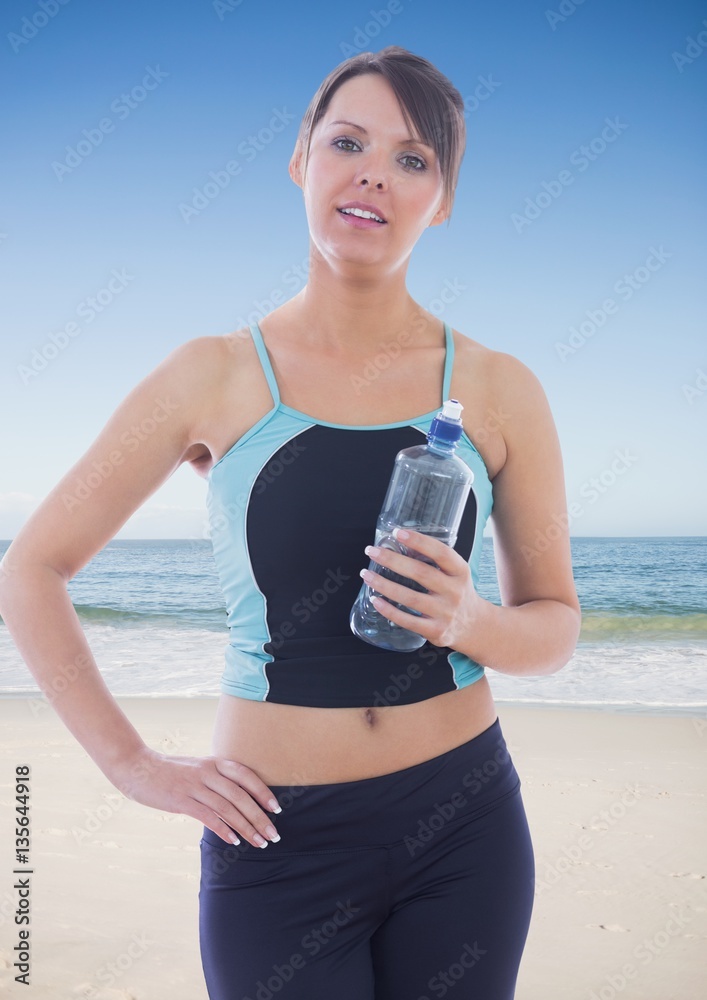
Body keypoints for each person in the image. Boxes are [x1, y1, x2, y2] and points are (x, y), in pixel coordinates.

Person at [0, 45, 581, 1000]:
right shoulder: (214, 375)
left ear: (442, 200)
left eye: (412, 159)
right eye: (346, 142)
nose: (372, 175)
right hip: (277, 837)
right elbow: (33, 568)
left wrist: (472, 623)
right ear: (299, 162)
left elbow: (555, 624)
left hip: (465, 822)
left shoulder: (498, 389)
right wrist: (132, 766)